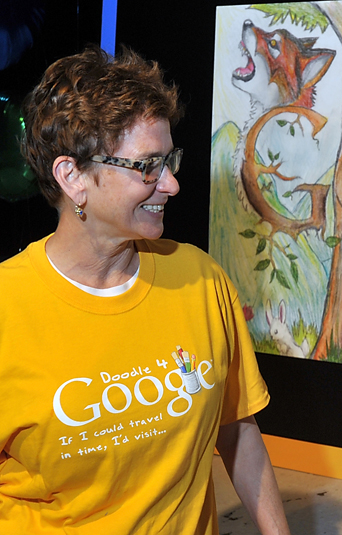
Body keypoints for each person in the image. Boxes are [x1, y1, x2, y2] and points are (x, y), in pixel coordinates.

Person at [0, 46, 291, 534]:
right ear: (72, 177)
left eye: (169, 160)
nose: (172, 184)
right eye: (147, 166)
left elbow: (237, 429)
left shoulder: (200, 280)